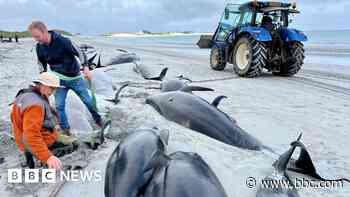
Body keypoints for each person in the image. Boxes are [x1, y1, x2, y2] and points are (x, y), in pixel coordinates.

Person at [28, 21, 103, 136]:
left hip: (75, 78)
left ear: (45, 31)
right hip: (58, 81)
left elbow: (80, 52)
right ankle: (66, 130)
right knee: (59, 106)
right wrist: (43, 81)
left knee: (88, 101)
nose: (36, 40)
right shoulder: (39, 47)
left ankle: (99, 121)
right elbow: (41, 64)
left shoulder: (63, 41)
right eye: (34, 37)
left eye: (37, 36)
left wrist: (86, 68)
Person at [11, 72, 78, 170]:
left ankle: (33, 156)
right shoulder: (35, 105)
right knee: (74, 144)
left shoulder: (25, 94)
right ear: (41, 84)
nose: (53, 91)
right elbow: (31, 135)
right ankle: (43, 159)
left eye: (55, 88)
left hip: (22, 141)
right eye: (51, 88)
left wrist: (54, 125)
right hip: (33, 142)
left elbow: (13, 118)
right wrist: (48, 157)